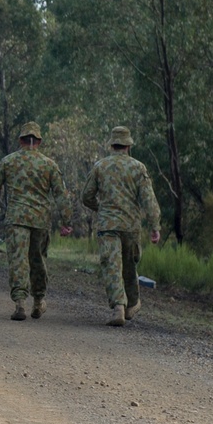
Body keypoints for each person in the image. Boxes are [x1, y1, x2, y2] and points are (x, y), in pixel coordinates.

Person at [0, 122, 73, 321]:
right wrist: (66, 221)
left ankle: (20, 303)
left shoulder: (9, 161)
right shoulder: (49, 164)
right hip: (40, 220)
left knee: (18, 261)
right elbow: (61, 195)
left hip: (16, 220)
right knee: (38, 261)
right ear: (38, 141)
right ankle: (38, 301)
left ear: (21, 140)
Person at [81, 126, 161, 326]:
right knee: (128, 266)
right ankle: (130, 304)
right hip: (130, 226)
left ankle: (119, 305)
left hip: (108, 224)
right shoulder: (138, 168)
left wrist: (101, 208)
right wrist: (155, 226)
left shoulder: (101, 166)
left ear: (112, 144)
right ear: (128, 145)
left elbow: (86, 196)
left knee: (111, 265)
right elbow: (149, 200)